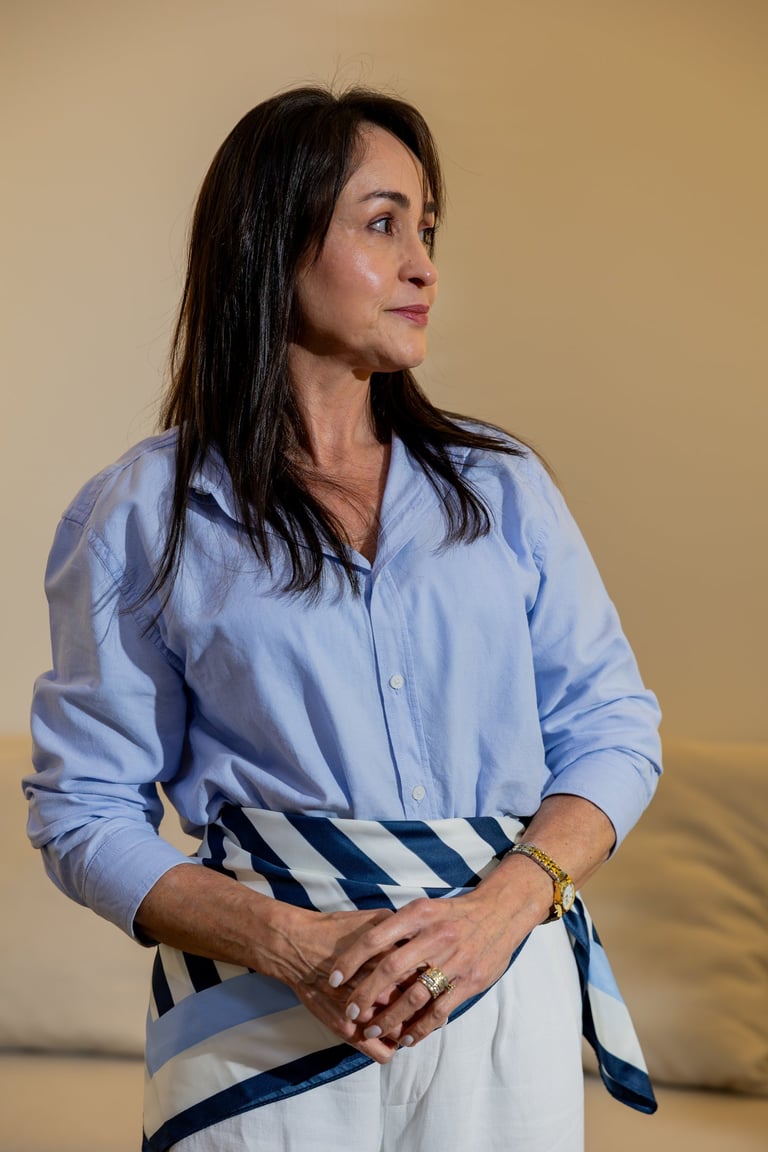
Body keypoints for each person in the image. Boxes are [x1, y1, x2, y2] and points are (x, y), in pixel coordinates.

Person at [25, 86, 662, 1152]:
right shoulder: (142, 514)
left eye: (427, 231)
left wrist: (498, 912)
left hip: (502, 995)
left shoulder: (501, 488)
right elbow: (84, 809)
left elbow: (613, 728)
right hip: (256, 1017)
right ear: (271, 244)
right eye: (382, 225)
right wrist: (289, 942)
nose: (424, 267)